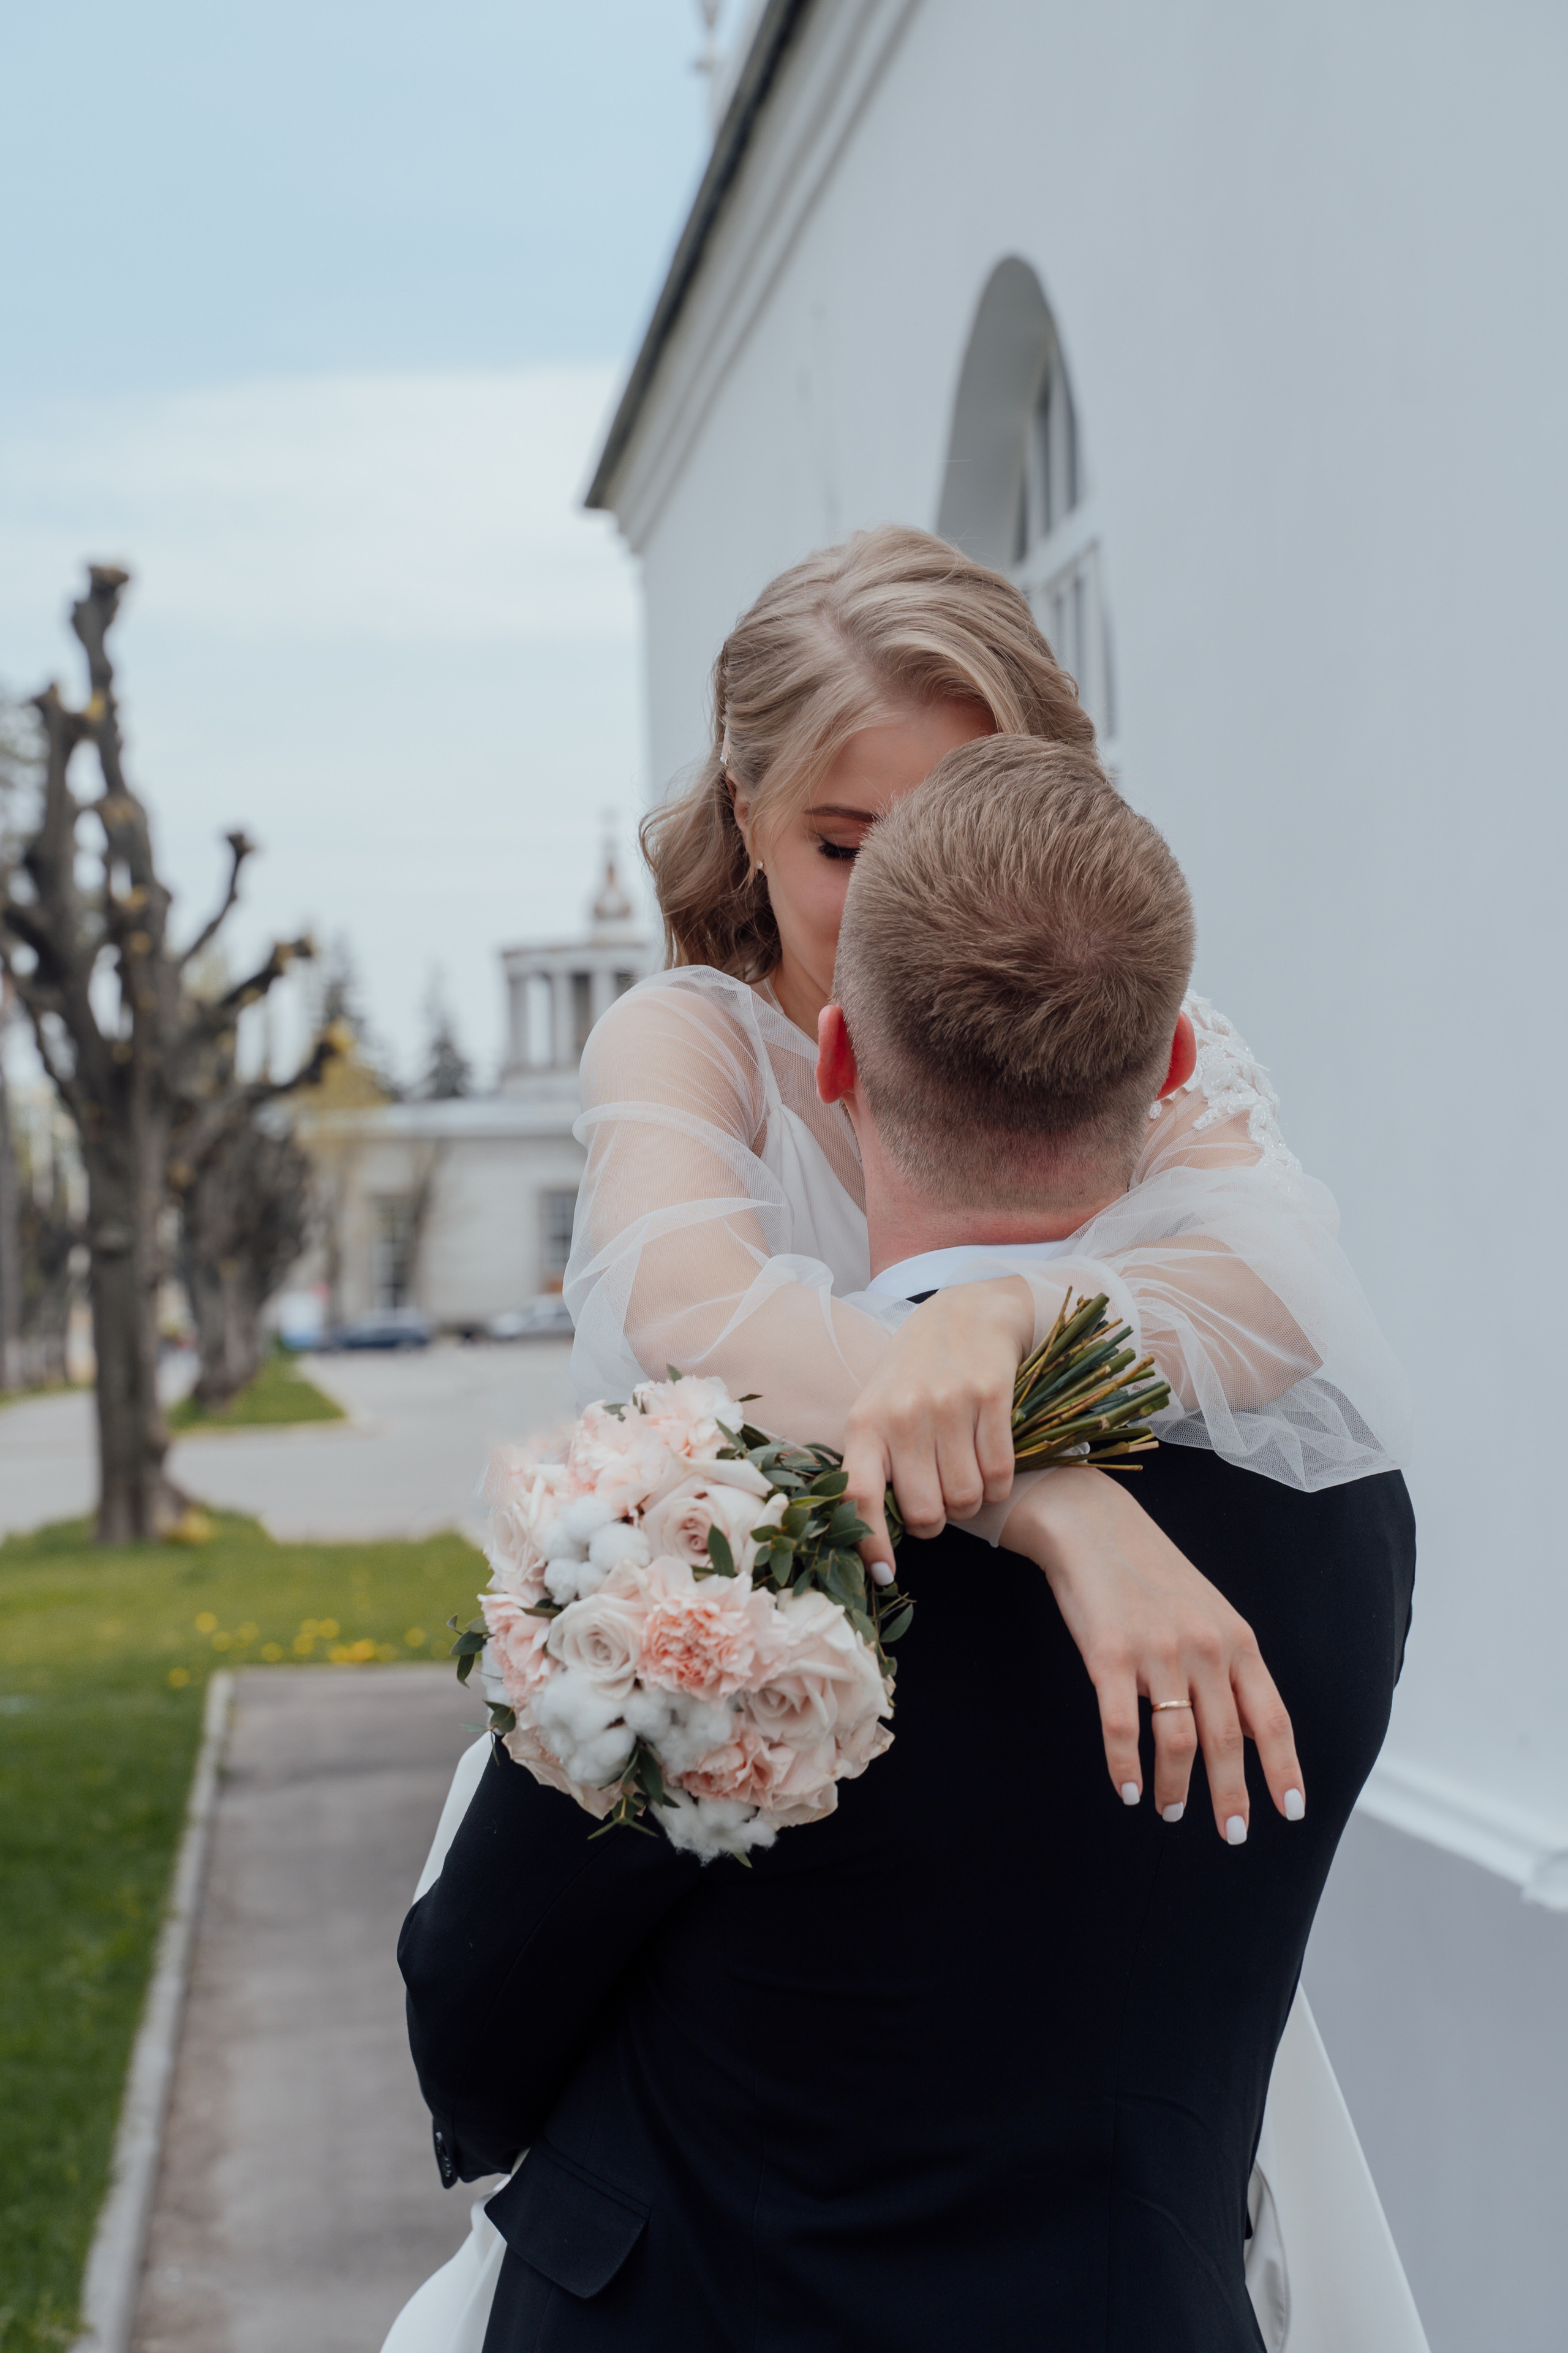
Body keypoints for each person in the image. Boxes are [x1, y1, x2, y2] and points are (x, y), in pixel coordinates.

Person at [395, 745, 1421, 2351]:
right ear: (1167, 1070)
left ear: (838, 1053)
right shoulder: (1342, 1513)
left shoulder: (715, 1507)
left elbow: (477, 2010)